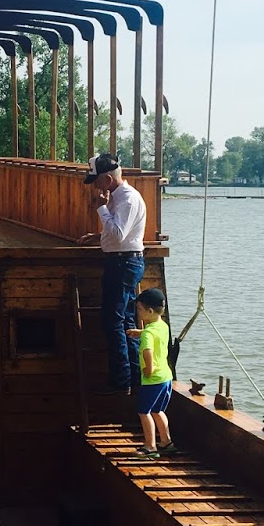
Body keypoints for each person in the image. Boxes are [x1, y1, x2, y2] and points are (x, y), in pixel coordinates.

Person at [78, 152, 146, 390]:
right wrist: (98, 237)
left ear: (107, 179)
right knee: (125, 321)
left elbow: (119, 234)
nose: (94, 186)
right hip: (123, 261)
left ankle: (123, 381)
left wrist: (101, 209)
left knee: (113, 322)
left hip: (123, 263)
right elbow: (120, 234)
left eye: (96, 181)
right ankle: (135, 378)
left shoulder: (126, 199)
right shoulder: (120, 197)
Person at [127, 286, 180, 457]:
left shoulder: (148, 335)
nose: (138, 311)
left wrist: (147, 370)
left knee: (144, 412)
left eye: (140, 309)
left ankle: (150, 446)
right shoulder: (162, 326)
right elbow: (154, 333)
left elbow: (147, 351)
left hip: (152, 379)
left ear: (149, 311)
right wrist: (141, 332)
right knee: (158, 411)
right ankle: (166, 442)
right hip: (166, 378)